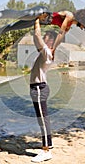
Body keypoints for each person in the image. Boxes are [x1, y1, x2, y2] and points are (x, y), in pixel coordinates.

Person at [0, 6, 85, 58]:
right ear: (83, 20)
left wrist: (54, 49)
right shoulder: (69, 15)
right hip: (42, 12)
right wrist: (53, 49)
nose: (83, 28)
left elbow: (60, 37)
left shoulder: (69, 26)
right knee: (20, 15)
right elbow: (60, 33)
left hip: (39, 21)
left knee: (12, 27)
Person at [29, 17, 58, 162]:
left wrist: (36, 21)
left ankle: (46, 151)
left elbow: (36, 36)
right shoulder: (44, 52)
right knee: (43, 119)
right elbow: (37, 39)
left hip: (39, 88)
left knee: (43, 120)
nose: (44, 38)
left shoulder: (47, 52)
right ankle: (49, 145)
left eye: (46, 37)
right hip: (37, 88)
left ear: (51, 41)